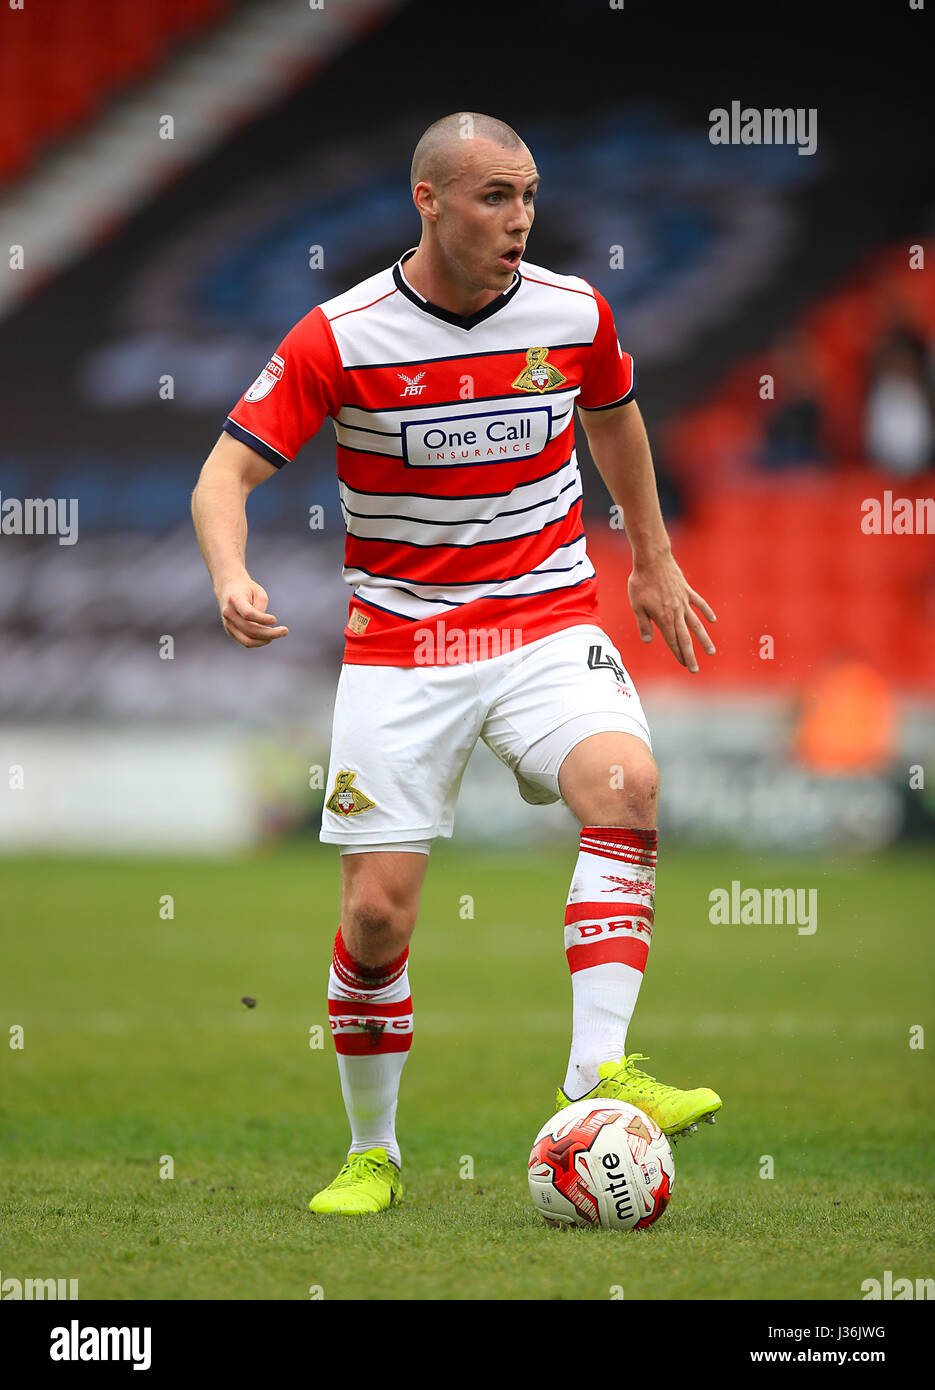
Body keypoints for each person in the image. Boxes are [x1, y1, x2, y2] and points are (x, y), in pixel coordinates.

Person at [191, 112, 722, 1216]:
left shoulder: (573, 313)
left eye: (526, 196)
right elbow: (220, 478)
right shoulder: (340, 337)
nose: (518, 218)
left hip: (544, 618)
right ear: (427, 200)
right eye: (492, 197)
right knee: (377, 915)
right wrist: (231, 576)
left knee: (626, 784)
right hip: (404, 643)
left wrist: (651, 562)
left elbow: (615, 422)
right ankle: (373, 1151)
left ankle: (597, 1074)